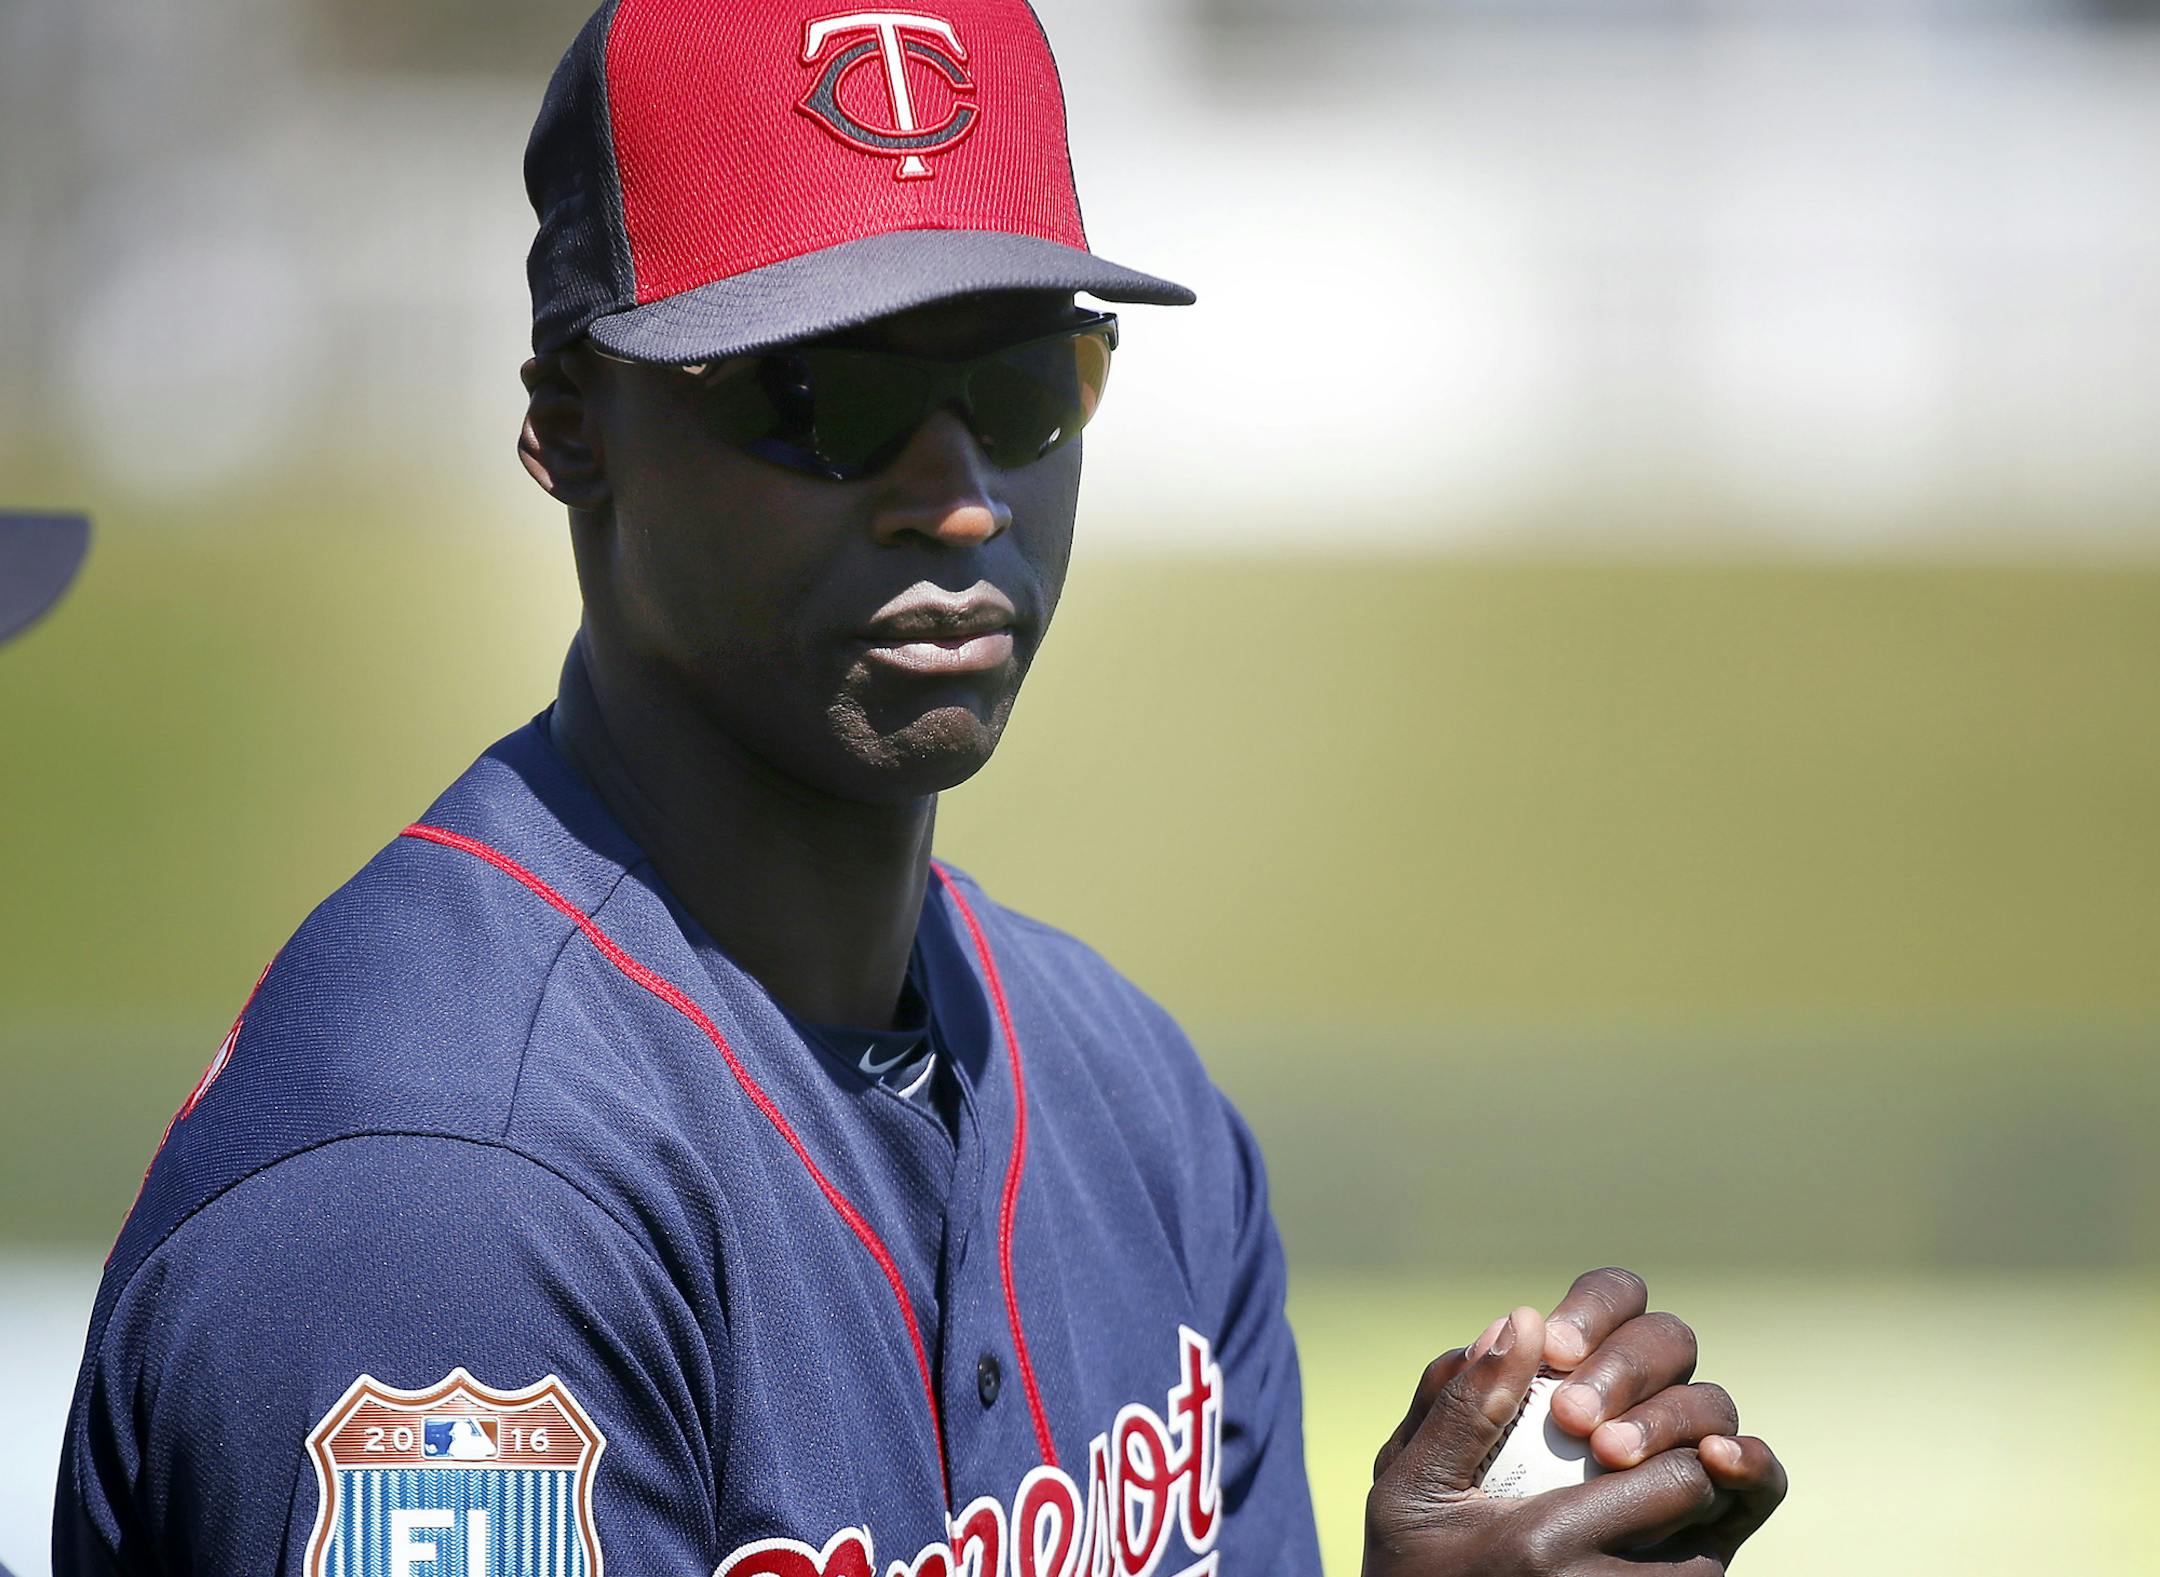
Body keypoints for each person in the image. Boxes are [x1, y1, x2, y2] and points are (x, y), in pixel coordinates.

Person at [55, 4, 1785, 1574]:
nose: (957, 496)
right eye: (830, 393)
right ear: (572, 423)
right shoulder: (449, 1203)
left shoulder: (1136, 1102)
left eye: (1026, 382)